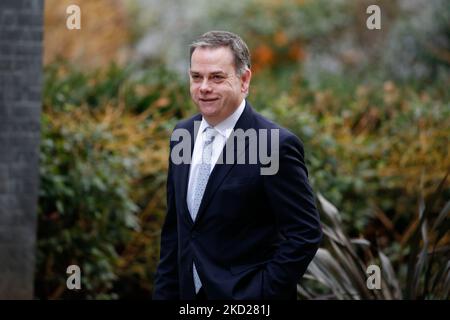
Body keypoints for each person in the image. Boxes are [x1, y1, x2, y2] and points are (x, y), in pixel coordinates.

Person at [153, 31, 322, 300]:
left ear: (244, 80)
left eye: (217, 77)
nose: (204, 87)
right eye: (197, 77)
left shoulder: (273, 145)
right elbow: (176, 231)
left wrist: (260, 293)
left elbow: (305, 234)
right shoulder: (182, 136)